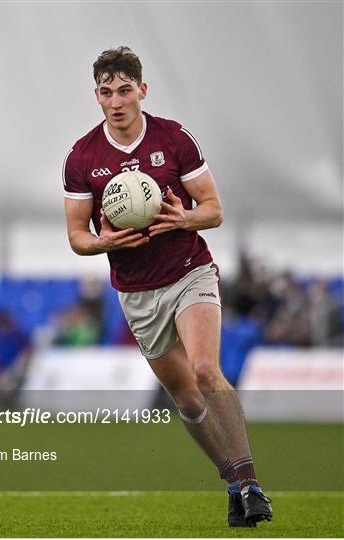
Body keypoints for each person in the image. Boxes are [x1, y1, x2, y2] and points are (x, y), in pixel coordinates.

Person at [62, 46, 273, 527]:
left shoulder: (173, 138)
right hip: (137, 292)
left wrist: (185, 218)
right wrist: (104, 242)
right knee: (187, 399)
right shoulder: (83, 158)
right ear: (97, 95)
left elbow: (213, 210)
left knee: (204, 369)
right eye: (106, 92)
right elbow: (77, 237)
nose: (116, 101)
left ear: (142, 90)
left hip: (188, 271)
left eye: (124, 90)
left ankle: (254, 484)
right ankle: (234, 482)